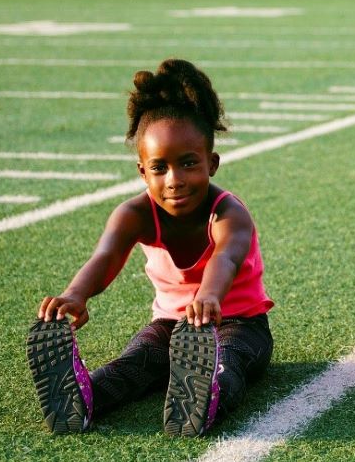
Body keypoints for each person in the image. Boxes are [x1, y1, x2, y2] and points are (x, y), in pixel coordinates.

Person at [26, 59, 274, 437]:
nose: (174, 180)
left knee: (228, 362)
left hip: (238, 324)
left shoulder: (229, 214)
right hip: (169, 325)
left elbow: (225, 256)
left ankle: (207, 394)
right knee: (136, 360)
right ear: (143, 171)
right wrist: (76, 294)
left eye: (188, 164)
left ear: (212, 163)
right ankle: (83, 396)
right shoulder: (135, 214)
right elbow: (105, 256)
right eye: (160, 167)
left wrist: (209, 297)